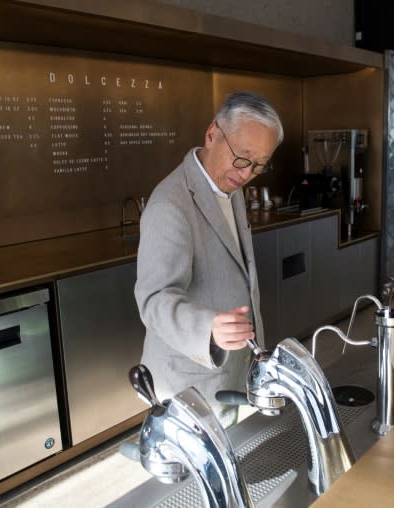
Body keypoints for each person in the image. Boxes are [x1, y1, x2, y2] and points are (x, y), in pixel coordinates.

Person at [134, 91, 284, 426]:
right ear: (212, 134)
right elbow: (154, 300)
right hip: (189, 384)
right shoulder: (170, 205)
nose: (247, 174)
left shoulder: (231, 185)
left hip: (227, 372)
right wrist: (207, 329)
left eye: (260, 164)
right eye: (243, 158)